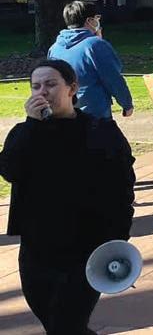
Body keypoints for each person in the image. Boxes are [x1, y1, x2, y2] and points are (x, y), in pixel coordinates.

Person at [1, 59, 134, 335]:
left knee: (65, 325)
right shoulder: (24, 133)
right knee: (55, 323)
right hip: (37, 249)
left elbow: (122, 186)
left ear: (72, 88)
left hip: (86, 248)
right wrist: (33, 126)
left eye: (51, 84)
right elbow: (10, 170)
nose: (43, 92)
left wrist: (118, 236)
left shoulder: (101, 131)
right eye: (36, 86)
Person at [47, 0, 134, 120]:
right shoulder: (95, 45)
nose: (98, 21)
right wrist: (126, 104)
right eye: (97, 18)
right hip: (94, 113)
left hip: (64, 113)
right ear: (89, 20)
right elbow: (113, 78)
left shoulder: (54, 48)